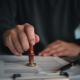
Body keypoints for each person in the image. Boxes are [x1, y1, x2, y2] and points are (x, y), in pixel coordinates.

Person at [0, 0, 80, 57]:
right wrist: (5, 34)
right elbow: (2, 22)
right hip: (17, 57)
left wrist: (77, 46)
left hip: (66, 57)